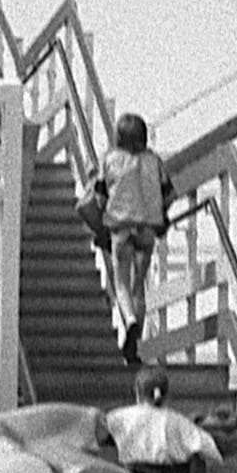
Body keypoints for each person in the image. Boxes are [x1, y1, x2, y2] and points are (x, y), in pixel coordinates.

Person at [100, 112, 175, 364]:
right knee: (138, 286)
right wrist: (162, 215)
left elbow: (100, 196)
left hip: (121, 228)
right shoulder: (154, 161)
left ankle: (129, 320)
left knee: (120, 282)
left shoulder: (110, 160)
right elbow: (170, 194)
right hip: (147, 230)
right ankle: (134, 348)